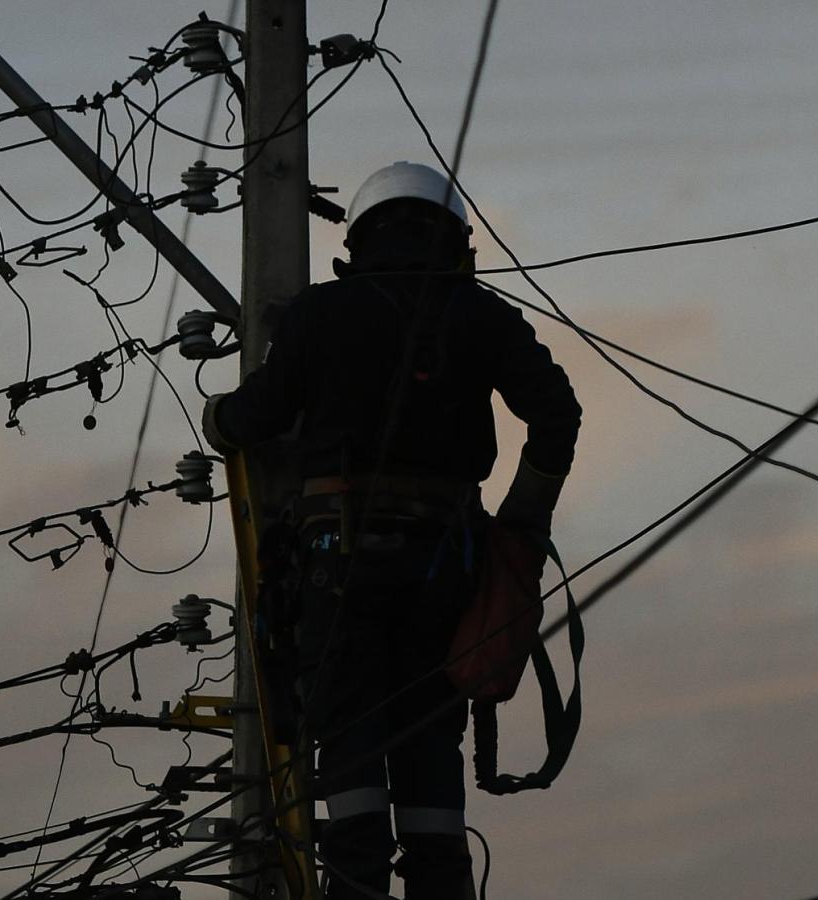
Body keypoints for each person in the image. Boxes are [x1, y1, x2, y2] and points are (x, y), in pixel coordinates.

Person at [201, 161, 580, 900]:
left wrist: (218, 418)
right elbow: (557, 415)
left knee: (349, 743)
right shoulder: (483, 314)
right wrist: (524, 519)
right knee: (428, 742)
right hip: (448, 569)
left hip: (334, 567)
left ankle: (357, 875)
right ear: (459, 245)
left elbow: (261, 415)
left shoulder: (322, 311)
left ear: (359, 242)